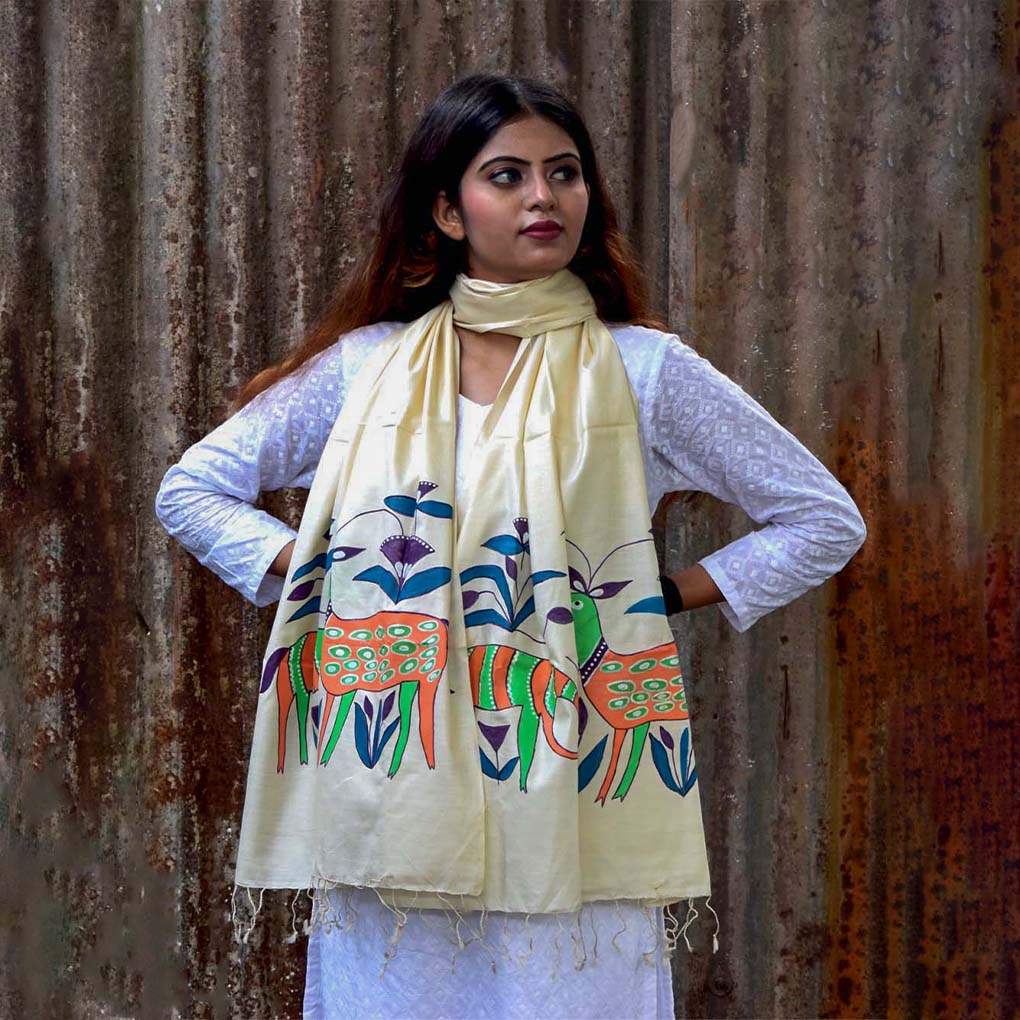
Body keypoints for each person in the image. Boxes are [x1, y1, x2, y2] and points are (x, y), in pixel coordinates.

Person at [154, 73, 867, 1020]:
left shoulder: (642, 370)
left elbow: (821, 518)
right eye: (508, 176)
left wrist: (659, 593)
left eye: (564, 173)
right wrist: (323, 567)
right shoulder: (369, 367)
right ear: (448, 211)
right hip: (390, 797)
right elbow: (192, 490)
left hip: (573, 789)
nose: (544, 197)